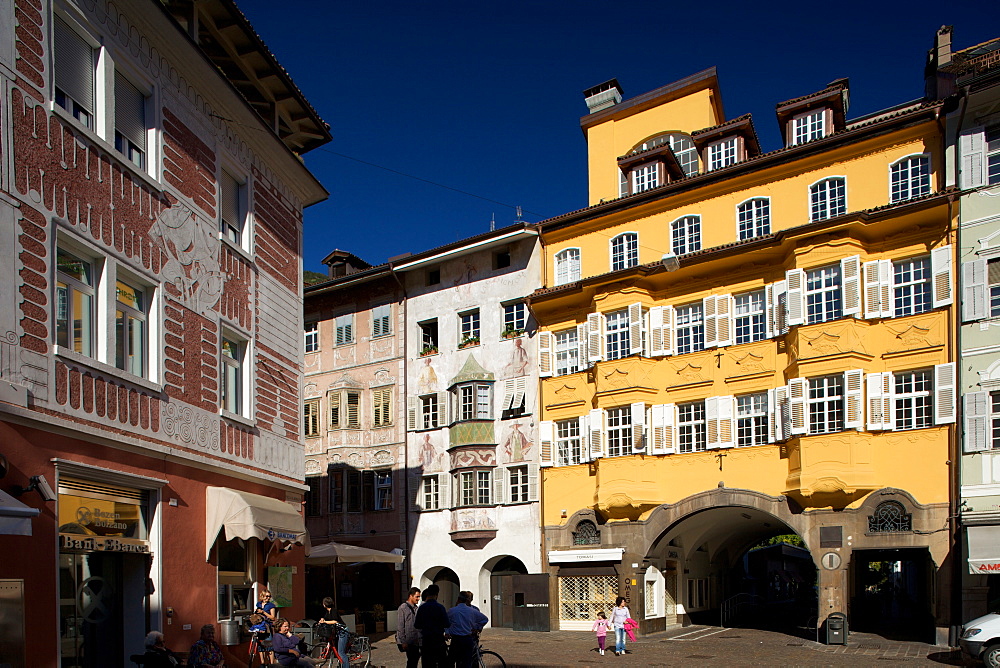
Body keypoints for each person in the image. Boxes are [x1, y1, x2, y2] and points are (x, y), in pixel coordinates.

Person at [446, 591, 488, 668]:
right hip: (468, 638)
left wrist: (447, 631)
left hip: (456, 639)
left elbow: (446, 622)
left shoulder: (452, 610)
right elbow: (484, 619)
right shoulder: (472, 610)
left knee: (452, 660)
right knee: (467, 661)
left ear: (458, 599)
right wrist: (477, 627)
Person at [413, 584, 448, 668]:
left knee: (427, 664)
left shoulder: (422, 608)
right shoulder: (440, 608)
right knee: (441, 663)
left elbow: (417, 625)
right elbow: (447, 624)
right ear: (437, 595)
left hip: (426, 641)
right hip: (438, 640)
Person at [316, 596, 348, 668]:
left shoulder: (333, 610)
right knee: (336, 649)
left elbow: (334, 621)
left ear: (325, 604)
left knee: (341, 653)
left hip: (342, 631)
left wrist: (325, 621)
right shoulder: (328, 611)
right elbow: (325, 618)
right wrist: (322, 620)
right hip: (335, 632)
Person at [396, 587, 421, 668]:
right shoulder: (403, 608)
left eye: (419, 596)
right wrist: (403, 641)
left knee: (414, 660)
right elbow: (400, 626)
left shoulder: (416, 608)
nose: (418, 599)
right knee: (411, 661)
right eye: (417, 596)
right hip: (408, 641)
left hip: (415, 640)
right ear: (411, 596)